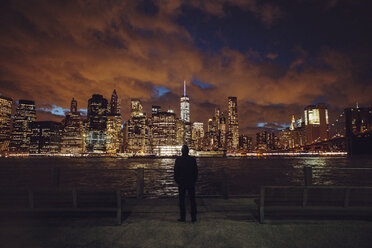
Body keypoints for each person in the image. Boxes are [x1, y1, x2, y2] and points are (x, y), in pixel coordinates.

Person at [174, 145, 198, 222]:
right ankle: (193, 218)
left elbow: (176, 172)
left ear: (181, 151)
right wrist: (194, 180)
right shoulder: (192, 159)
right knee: (192, 200)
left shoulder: (178, 160)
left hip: (181, 182)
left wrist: (177, 180)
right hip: (191, 182)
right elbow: (196, 171)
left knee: (182, 201)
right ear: (188, 151)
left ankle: (183, 217)